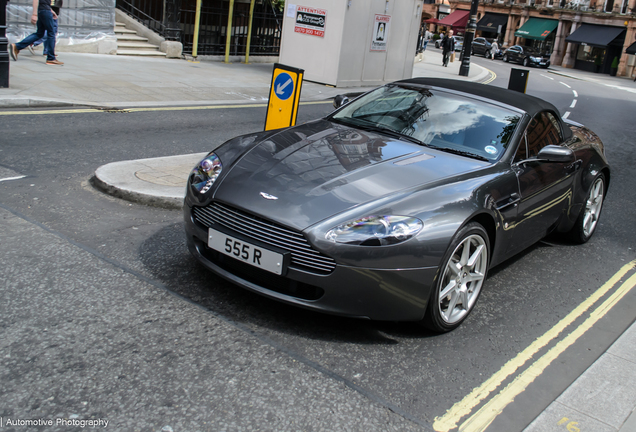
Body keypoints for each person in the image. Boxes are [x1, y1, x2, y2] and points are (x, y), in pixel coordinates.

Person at [9, 0, 63, 65]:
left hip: (44, 10)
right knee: (51, 33)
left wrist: (50, 10)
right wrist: (34, 14)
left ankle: (17, 46)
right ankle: (51, 58)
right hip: (45, 10)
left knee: (40, 33)